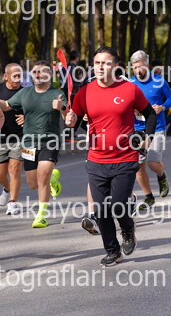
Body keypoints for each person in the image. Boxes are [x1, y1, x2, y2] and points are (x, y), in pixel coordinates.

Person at [66, 46, 157, 267]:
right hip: (97, 160)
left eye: (106, 63)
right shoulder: (84, 92)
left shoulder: (129, 89)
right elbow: (76, 123)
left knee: (117, 205)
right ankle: (113, 251)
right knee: (101, 210)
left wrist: (147, 137)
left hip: (125, 157)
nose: (100, 67)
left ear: (115, 65)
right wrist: (70, 121)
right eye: (97, 63)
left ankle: (127, 228)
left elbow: (150, 114)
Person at [0, 60, 65, 228]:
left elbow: (68, 119)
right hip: (28, 142)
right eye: (34, 72)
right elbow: (6, 105)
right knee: (32, 183)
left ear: (50, 74)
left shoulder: (57, 94)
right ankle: (53, 178)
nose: (37, 74)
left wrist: (62, 108)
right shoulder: (24, 93)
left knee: (42, 176)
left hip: (49, 141)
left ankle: (41, 216)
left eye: (41, 71)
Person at [130, 50, 171, 211]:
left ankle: (161, 176)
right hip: (137, 128)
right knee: (138, 165)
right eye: (134, 67)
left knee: (153, 163)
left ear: (147, 65)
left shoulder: (158, 81)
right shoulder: (130, 83)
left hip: (157, 127)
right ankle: (148, 196)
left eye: (140, 67)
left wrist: (162, 107)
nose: (138, 70)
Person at [0, 64, 24, 215]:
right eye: (14, 76)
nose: (18, 79)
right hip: (2, 138)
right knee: (1, 174)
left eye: (20, 75)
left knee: (14, 169)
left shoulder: (25, 92)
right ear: (6, 76)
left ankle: (12, 202)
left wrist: (26, 117)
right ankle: (7, 189)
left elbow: (34, 110)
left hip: (19, 137)